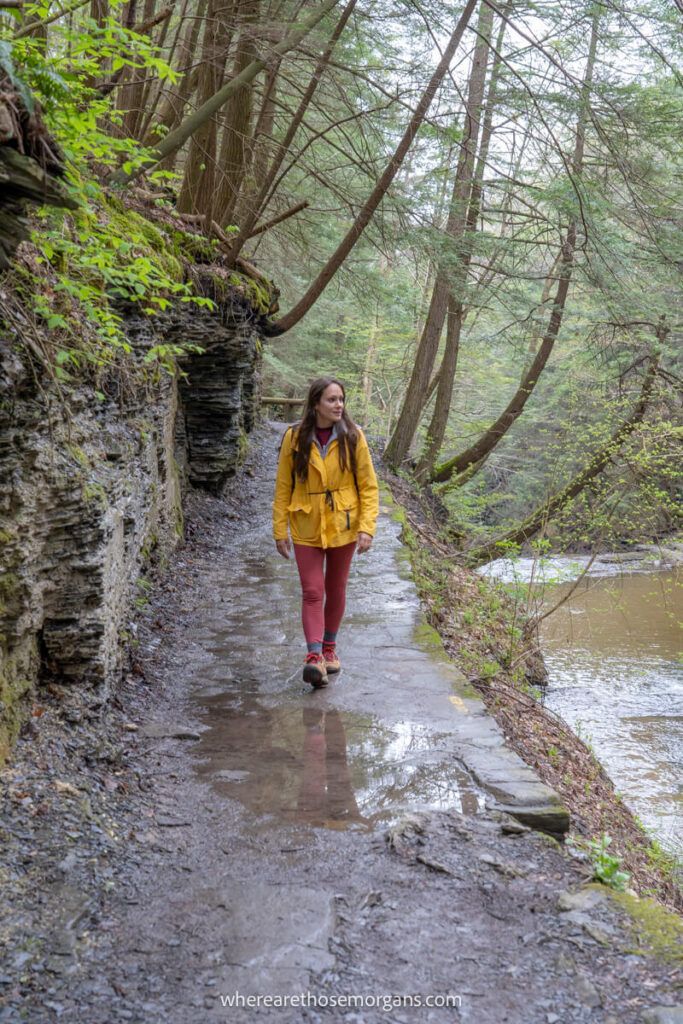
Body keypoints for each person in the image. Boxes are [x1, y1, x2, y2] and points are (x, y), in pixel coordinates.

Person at [272, 377, 379, 688]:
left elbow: (369, 487)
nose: (339, 405)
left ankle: (330, 649)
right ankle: (314, 656)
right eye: (332, 400)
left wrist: (366, 528)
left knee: (336, 588)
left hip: (343, 524)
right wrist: (280, 529)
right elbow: (283, 487)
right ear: (315, 403)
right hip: (306, 522)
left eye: (341, 399)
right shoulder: (294, 437)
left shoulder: (353, 436)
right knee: (312, 591)